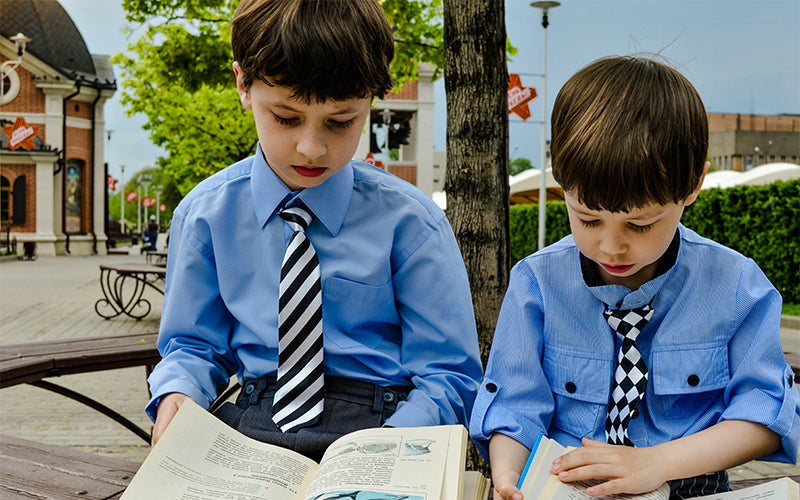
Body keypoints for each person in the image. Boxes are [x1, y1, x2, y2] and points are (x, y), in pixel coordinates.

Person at [146, 0, 482, 462]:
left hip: (385, 423)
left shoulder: (412, 223)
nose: (311, 148)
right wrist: (178, 393)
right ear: (243, 84)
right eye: (285, 117)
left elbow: (449, 375)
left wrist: (394, 443)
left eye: (341, 122)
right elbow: (193, 344)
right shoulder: (205, 216)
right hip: (254, 417)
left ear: (370, 99)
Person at [469, 55, 800, 500]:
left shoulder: (736, 285)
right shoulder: (538, 283)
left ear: (693, 185)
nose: (611, 246)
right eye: (586, 219)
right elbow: (513, 407)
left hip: (690, 483)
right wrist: (508, 478)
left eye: (640, 225)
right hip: (566, 486)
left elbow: (767, 417)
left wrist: (658, 462)